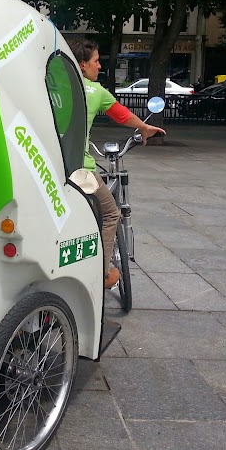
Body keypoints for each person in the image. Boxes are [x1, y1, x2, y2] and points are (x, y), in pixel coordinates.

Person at [69, 38, 166, 289]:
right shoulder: (96, 91)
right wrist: (144, 127)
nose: (99, 66)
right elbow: (122, 115)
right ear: (82, 65)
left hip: (51, 167)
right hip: (80, 170)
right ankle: (100, 274)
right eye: (96, 61)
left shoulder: (53, 85)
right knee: (111, 213)